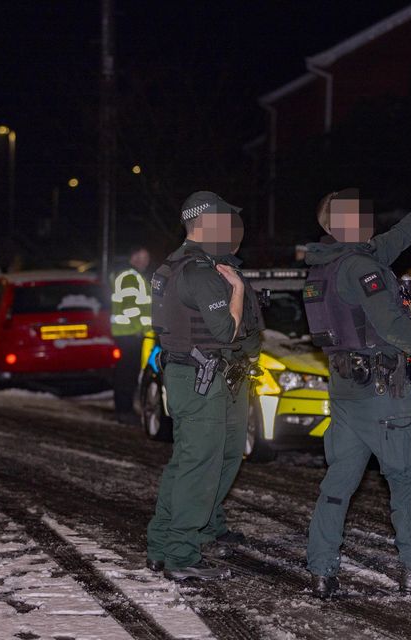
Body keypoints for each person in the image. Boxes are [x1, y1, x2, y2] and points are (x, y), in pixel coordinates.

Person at [302, 188, 411, 599]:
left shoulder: (326, 264)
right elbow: (397, 330)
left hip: (346, 393)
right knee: (407, 479)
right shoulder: (362, 267)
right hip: (384, 393)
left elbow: (382, 247)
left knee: (340, 481)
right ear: (341, 224)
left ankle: (322, 569)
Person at [145, 191, 262, 581]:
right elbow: (227, 331)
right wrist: (239, 293)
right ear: (206, 223)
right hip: (201, 379)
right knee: (197, 467)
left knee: (189, 463)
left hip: (194, 376)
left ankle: (163, 544)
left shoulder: (178, 265)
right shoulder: (197, 271)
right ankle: (180, 555)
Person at [110, 245, 152, 424]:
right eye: (141, 257)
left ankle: (124, 408)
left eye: (146, 258)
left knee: (127, 372)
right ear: (132, 257)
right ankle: (124, 410)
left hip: (129, 333)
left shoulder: (133, 276)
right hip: (130, 333)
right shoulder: (129, 277)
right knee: (127, 373)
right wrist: (141, 328)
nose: (145, 261)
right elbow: (131, 307)